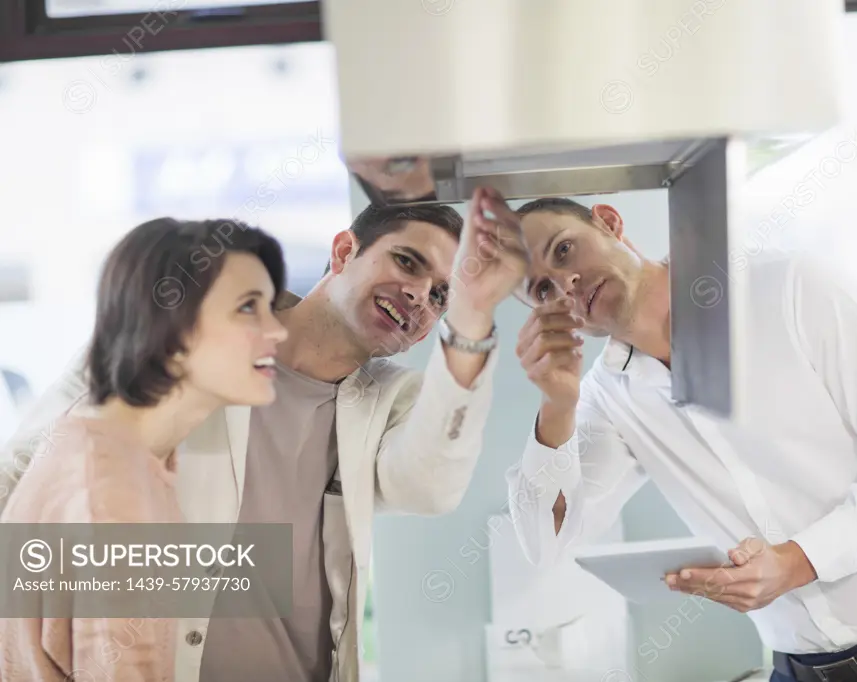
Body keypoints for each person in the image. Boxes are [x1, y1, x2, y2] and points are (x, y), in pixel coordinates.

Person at [0, 186, 528, 682]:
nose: (419, 296)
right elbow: (31, 467)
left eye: (441, 295)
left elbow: (429, 486)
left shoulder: (391, 400)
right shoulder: (187, 343)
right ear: (345, 250)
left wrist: (471, 319)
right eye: (407, 262)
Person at [506, 197, 857, 682]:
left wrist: (796, 562)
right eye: (543, 290)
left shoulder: (788, 287)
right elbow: (547, 540)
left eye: (564, 249)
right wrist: (556, 406)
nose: (567, 281)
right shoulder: (606, 397)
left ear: (608, 221)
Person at [0, 217, 289, 681]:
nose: (278, 331)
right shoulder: (110, 493)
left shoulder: (123, 453)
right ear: (169, 331)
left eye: (270, 307)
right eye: (248, 308)